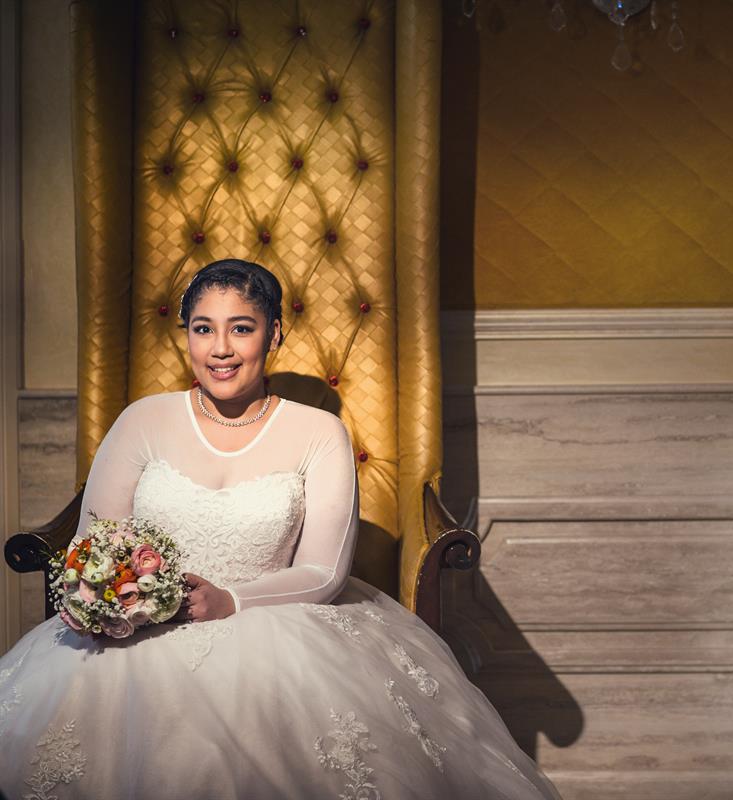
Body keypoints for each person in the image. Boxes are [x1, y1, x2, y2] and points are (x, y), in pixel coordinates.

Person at [0, 259, 560, 800]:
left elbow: (324, 570)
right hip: (140, 631)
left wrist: (230, 599)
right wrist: (110, 600)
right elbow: (92, 543)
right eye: (203, 328)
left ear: (273, 336)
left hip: (278, 629)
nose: (220, 348)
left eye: (241, 328)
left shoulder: (319, 432)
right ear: (186, 335)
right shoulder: (142, 420)